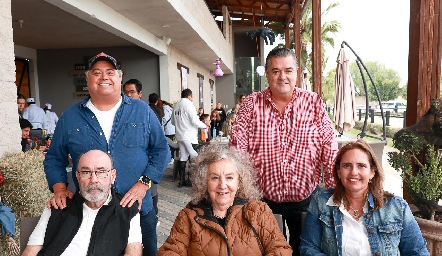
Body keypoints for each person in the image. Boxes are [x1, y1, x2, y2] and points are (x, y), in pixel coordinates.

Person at [43, 52, 170, 256]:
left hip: (138, 209)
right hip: (89, 213)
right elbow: (54, 159)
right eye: (97, 72)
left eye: (110, 72)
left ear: (119, 78)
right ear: (87, 79)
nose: (104, 77)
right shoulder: (70, 117)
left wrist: (143, 184)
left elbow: (161, 151)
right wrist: (59, 188)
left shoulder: (142, 111)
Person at [229, 47, 338, 255]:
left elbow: (329, 146)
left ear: (296, 73)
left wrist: (334, 192)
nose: (282, 77)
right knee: (270, 252)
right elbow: (237, 150)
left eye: (288, 70)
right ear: (267, 74)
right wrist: (239, 194)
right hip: (263, 200)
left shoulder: (313, 102)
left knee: (305, 250)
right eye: (276, 71)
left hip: (306, 200)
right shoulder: (251, 104)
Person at [299, 139, 430, 255]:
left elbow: (417, 251)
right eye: (346, 166)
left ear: (372, 172)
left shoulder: (397, 207)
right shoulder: (320, 202)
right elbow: (308, 248)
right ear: (338, 172)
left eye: (361, 166)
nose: (354, 172)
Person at [157, 144, 292, 255]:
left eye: (229, 178)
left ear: (239, 182)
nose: (222, 185)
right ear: (204, 183)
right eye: (215, 178)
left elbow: (280, 250)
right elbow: (170, 252)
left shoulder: (258, 211)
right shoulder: (188, 217)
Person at [23, 150, 142, 256]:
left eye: (101, 172)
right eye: (86, 172)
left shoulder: (127, 210)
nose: (93, 179)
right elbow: (30, 252)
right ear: (77, 176)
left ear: (112, 176)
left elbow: (134, 252)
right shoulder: (58, 205)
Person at [122, 80, 162, 224]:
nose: (128, 95)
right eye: (125, 92)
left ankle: (154, 215)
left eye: (131, 92)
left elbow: (159, 145)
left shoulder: (148, 112)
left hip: (149, 165)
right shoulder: (121, 112)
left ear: (140, 94)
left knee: (151, 194)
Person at [171, 88, 207, 188]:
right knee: (194, 156)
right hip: (189, 136)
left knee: (183, 156)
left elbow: (172, 122)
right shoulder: (189, 105)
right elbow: (195, 121)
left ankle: (182, 181)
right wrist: (204, 126)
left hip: (179, 135)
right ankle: (192, 180)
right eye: (192, 97)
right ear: (189, 96)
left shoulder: (176, 106)